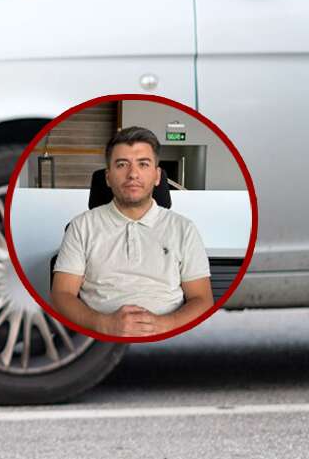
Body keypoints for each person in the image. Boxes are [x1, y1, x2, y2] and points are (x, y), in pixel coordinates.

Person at [51, 126, 213, 337]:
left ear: (157, 176)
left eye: (143, 164)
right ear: (108, 177)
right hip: (99, 338)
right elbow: (61, 295)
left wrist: (165, 325)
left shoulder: (184, 228)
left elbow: (202, 299)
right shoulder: (81, 226)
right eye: (122, 164)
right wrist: (103, 325)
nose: (133, 174)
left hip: (170, 337)